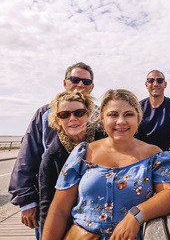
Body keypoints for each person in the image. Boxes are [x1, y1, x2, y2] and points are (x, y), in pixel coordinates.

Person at [42, 89, 170, 240]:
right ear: (103, 119)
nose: (121, 121)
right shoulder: (83, 153)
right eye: (113, 115)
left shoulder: (154, 156)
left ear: (138, 118)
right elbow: (59, 210)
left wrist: (135, 215)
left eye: (128, 114)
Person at [8, 62, 95, 236]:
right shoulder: (44, 114)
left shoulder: (100, 116)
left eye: (85, 82)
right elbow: (27, 157)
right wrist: (27, 201)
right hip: (51, 200)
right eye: (75, 79)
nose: (80, 85)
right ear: (65, 83)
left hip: (91, 206)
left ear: (91, 87)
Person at [38, 90, 105, 234]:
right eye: (64, 115)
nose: (72, 118)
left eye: (79, 113)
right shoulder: (51, 157)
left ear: (88, 114)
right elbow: (47, 206)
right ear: (58, 121)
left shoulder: (105, 141)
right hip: (72, 230)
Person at [135, 70, 170, 163]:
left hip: (162, 159)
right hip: (138, 160)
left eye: (159, 81)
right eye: (151, 80)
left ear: (165, 84)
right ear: (146, 84)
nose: (155, 84)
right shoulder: (138, 108)